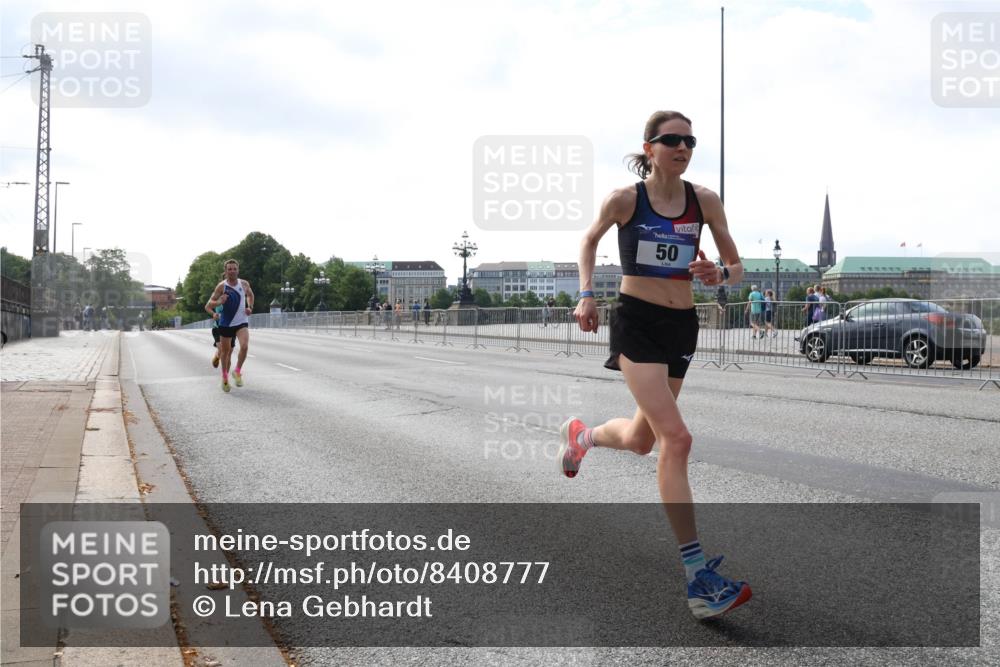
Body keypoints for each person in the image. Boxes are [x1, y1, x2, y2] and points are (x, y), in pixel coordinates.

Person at [558, 110, 751, 620]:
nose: (683, 148)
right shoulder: (625, 199)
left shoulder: (704, 200)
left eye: (690, 141)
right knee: (677, 440)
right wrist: (585, 294)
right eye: (672, 140)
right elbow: (588, 240)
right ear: (650, 148)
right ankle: (698, 579)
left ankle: (583, 436)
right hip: (637, 323)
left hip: (681, 326)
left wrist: (718, 273)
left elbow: (737, 267)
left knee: (642, 439)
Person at [205, 259, 254, 393]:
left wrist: (250, 307)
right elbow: (209, 303)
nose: (232, 271)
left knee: (244, 346)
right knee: (225, 353)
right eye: (229, 269)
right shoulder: (221, 286)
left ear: (238, 270)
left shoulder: (244, 284)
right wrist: (219, 302)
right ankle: (225, 377)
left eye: (234, 269)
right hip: (226, 323)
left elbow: (250, 295)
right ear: (226, 271)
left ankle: (237, 371)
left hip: (241, 321)